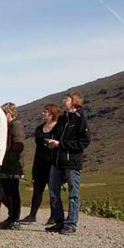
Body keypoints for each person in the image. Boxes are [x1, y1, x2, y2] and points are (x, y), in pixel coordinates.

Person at [47, 92, 91, 234]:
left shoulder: (80, 119)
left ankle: (71, 223)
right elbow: (53, 134)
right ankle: (59, 222)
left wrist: (61, 144)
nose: (63, 101)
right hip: (57, 160)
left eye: (66, 99)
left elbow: (84, 141)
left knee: (73, 193)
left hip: (71, 162)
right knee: (54, 192)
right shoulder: (62, 119)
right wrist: (50, 142)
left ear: (74, 102)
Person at [21, 104, 60, 224]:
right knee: (37, 190)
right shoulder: (39, 128)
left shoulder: (58, 128)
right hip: (39, 163)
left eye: (46, 112)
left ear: (52, 113)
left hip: (52, 163)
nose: (43, 114)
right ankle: (32, 215)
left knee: (53, 191)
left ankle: (54, 216)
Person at [0, 103, 25, 230]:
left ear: (9, 114)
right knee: (6, 191)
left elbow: (18, 144)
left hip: (12, 165)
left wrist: (9, 158)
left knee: (12, 192)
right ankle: (11, 216)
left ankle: (15, 218)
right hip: (6, 164)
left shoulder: (15, 126)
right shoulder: (7, 126)